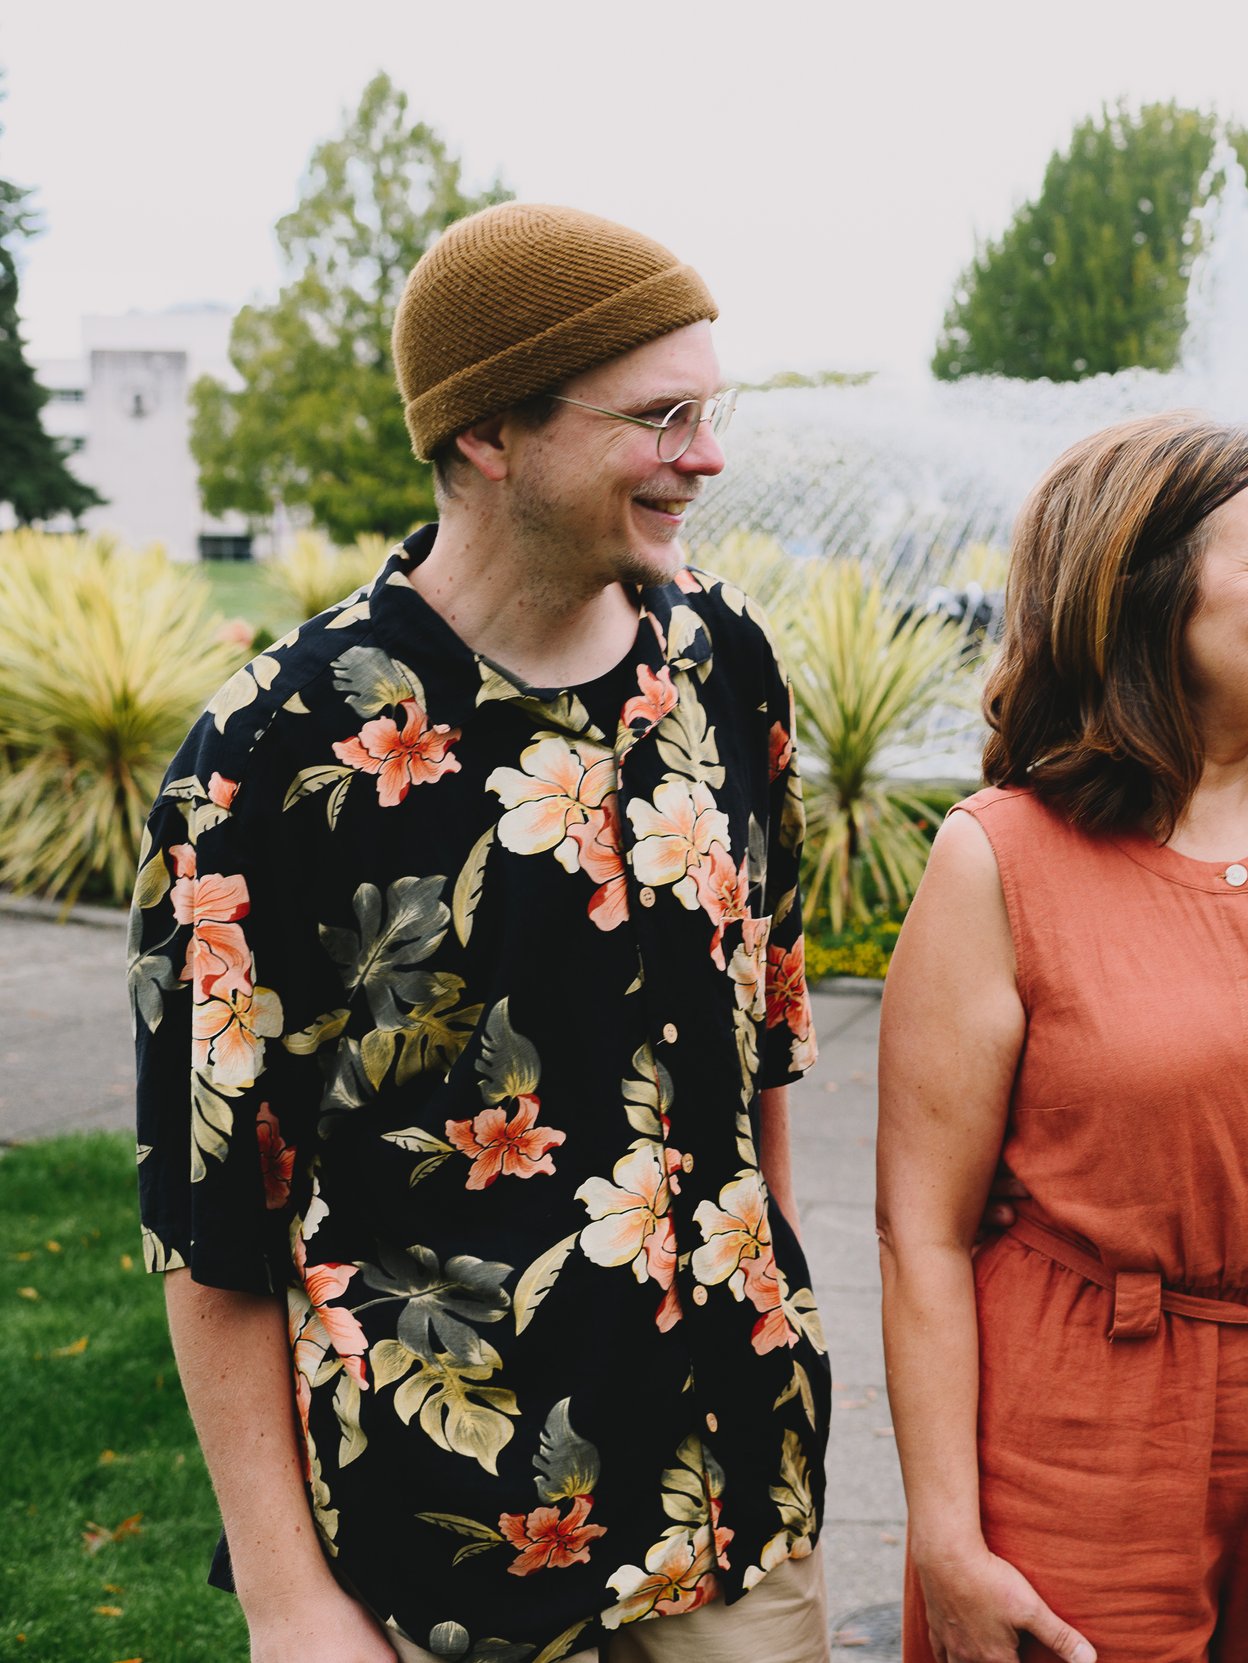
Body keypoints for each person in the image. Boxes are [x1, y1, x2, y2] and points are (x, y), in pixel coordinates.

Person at [130, 203, 832, 1663]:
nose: (707, 452)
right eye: (662, 414)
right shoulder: (270, 755)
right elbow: (213, 1219)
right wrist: (284, 1595)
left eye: (714, 406)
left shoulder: (729, 665)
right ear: (490, 433)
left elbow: (764, 1041)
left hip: (739, 1521)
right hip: (446, 1559)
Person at [877, 413, 1248, 1663]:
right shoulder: (997, 857)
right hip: (1085, 1433)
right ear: (1145, 588)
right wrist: (946, 1542)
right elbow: (921, 1234)